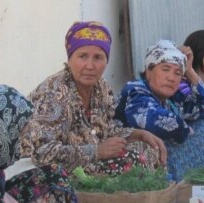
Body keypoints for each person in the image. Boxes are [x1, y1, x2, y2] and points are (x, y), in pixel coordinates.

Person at [20, 22, 166, 176]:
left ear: (106, 61)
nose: (90, 66)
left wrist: (137, 134)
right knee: (131, 161)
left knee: (148, 150)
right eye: (82, 56)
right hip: (40, 170)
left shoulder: (101, 88)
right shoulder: (53, 94)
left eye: (98, 57)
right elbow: (42, 153)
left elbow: (106, 130)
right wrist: (96, 151)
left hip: (83, 161)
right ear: (69, 60)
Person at [115, 40, 204, 181]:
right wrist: (186, 129)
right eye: (165, 69)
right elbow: (155, 121)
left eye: (177, 73)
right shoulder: (135, 90)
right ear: (148, 71)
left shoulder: (171, 99)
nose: (171, 78)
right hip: (130, 164)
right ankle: (186, 190)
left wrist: (189, 71)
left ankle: (199, 187)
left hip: (161, 163)